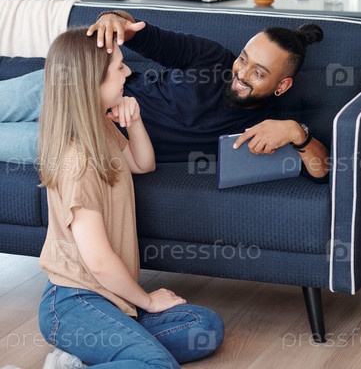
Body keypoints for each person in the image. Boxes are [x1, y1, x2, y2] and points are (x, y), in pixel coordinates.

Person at [38, 27, 224, 369]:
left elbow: (142, 163)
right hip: (74, 300)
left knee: (205, 327)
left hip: (111, 296)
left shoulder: (99, 127)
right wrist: (148, 301)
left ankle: (82, 355)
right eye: (120, 67)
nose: (128, 73)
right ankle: (107, 349)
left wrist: (134, 121)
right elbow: (97, 261)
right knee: (157, 365)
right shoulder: (78, 162)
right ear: (92, 81)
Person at [0, 13, 329, 180]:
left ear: (282, 86)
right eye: (243, 59)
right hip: (75, 86)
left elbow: (322, 171)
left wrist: (297, 133)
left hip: (88, 140)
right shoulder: (212, 58)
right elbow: (140, 33)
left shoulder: (266, 127)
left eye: (259, 73)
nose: (241, 73)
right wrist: (113, 18)